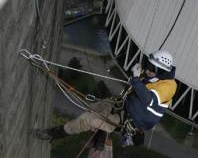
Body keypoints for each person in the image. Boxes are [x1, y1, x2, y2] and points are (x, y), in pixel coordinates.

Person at [37, 50, 177, 147]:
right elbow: (136, 86)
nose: (147, 69)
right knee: (95, 108)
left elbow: (149, 100)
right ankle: (98, 132)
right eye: (148, 65)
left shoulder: (169, 86)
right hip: (122, 104)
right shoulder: (151, 76)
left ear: (161, 71)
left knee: (88, 120)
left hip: (129, 119)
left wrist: (135, 79)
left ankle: (56, 133)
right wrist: (136, 76)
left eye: (151, 67)